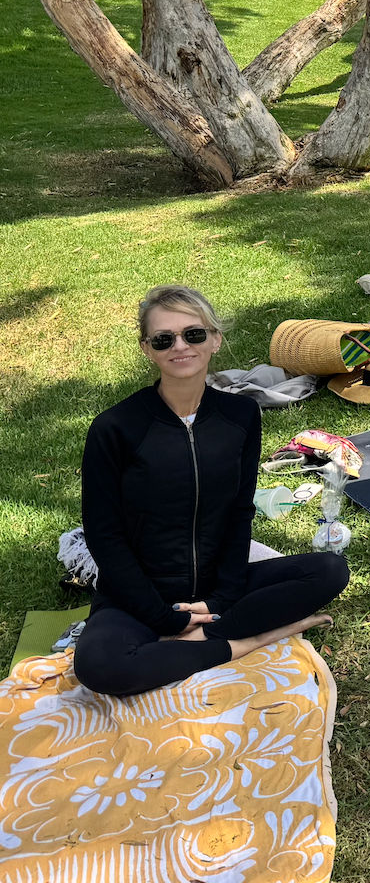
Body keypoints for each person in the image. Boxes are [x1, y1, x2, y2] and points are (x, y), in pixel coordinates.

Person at [74, 286, 347, 698]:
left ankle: (201, 638)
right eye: (164, 339)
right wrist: (163, 619)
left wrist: (222, 596)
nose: (179, 346)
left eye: (193, 334)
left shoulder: (240, 416)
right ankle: (236, 644)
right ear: (147, 349)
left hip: (215, 589)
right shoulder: (115, 428)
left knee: (330, 570)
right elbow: (103, 534)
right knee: (100, 667)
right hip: (139, 597)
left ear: (215, 339)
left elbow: (240, 512)